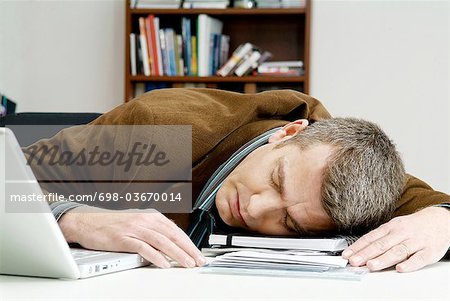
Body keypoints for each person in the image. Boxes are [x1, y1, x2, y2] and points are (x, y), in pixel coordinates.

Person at [22, 88, 450, 272]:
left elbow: (430, 207)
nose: (258, 209)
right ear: (289, 132)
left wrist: (442, 221)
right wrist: (71, 217)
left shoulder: (343, 178)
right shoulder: (162, 129)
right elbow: (9, 180)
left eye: (290, 224)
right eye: (277, 181)